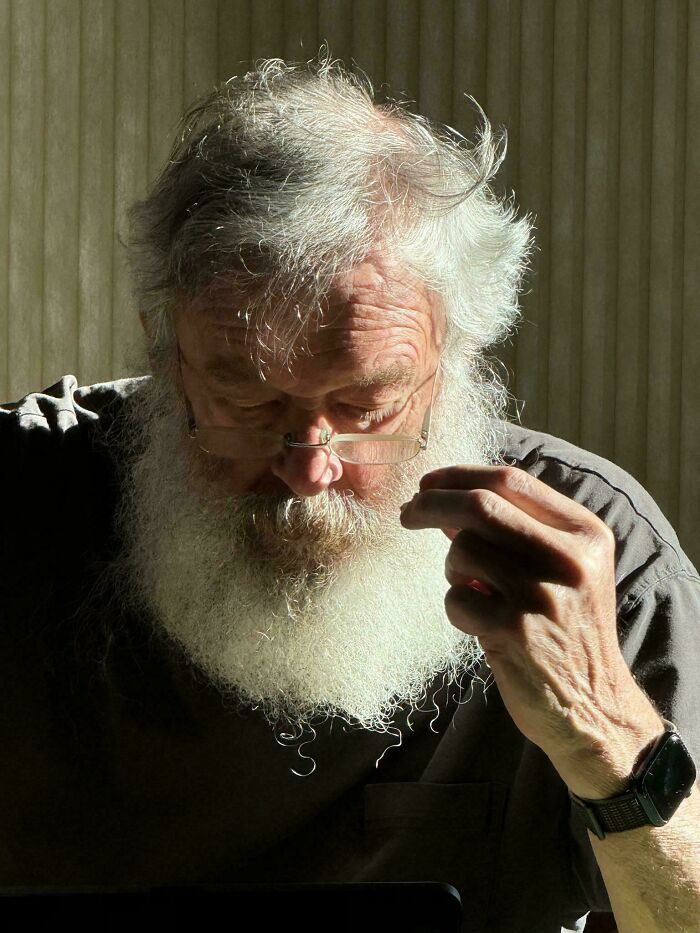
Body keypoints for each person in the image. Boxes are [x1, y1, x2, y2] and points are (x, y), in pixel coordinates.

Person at [1, 55, 698, 933]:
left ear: (460, 359)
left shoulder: (591, 555)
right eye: (246, 402)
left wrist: (610, 737)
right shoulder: (19, 501)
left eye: (364, 407)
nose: (308, 466)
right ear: (162, 342)